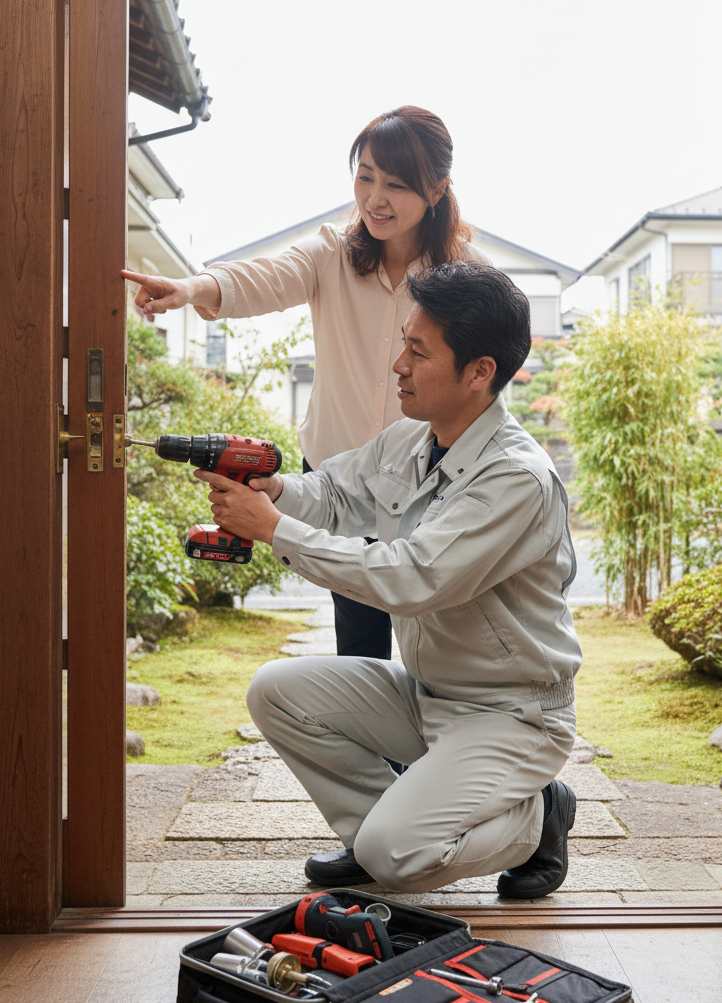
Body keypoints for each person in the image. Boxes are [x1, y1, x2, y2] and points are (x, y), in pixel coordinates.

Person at [194, 262, 581, 898]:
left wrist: (271, 529)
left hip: (512, 715)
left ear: (480, 371)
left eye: (418, 350)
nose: (398, 363)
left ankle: (538, 820)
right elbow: (334, 494)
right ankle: (375, 832)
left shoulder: (516, 479)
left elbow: (414, 577)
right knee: (276, 690)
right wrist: (274, 491)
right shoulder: (411, 438)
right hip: (430, 694)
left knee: (397, 858)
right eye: (404, 342)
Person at [121, 107, 490, 673]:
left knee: (435, 636)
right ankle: (376, 760)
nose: (375, 199)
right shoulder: (332, 254)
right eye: (365, 176)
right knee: (360, 642)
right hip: (339, 481)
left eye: (396, 184)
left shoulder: (466, 277)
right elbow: (264, 277)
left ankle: (437, 754)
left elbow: (491, 374)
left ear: (437, 190)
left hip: (429, 483)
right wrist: (190, 286)